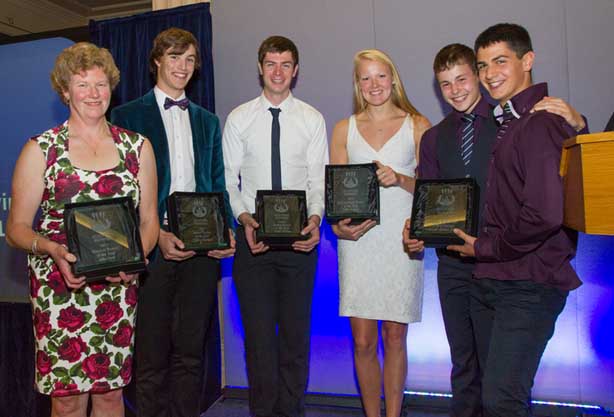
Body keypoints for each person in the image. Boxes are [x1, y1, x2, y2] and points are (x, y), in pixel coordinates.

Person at [405, 43, 586, 417]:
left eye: (462, 79)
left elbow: (567, 165)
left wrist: (579, 120)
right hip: (455, 264)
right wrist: (416, 228)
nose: (455, 90)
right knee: (464, 366)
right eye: (445, 84)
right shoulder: (435, 138)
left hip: (504, 264)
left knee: (500, 378)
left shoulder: (512, 121)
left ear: (479, 78)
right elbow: (430, 196)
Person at [5, 42, 159, 417]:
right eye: (83, 84)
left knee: (110, 394)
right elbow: (17, 228)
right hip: (59, 290)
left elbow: (150, 221)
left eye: (101, 84)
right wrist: (53, 251)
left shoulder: (138, 147)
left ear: (112, 88)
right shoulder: (41, 149)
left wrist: (133, 261)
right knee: (68, 400)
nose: (94, 94)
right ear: (64, 91)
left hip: (118, 289)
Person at [110, 28, 235, 417]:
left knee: (191, 351)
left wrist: (225, 229)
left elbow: (217, 185)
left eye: (190, 59)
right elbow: (121, 192)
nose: (182, 66)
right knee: (151, 354)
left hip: (202, 247)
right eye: (175, 57)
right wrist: (156, 236)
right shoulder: (126, 115)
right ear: (156, 62)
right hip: (152, 245)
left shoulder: (209, 121)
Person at [222, 35, 328, 417]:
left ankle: (292, 411)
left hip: (300, 244)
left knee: (296, 340)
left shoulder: (312, 119)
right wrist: (243, 218)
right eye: (271, 64)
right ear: (260, 68)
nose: (278, 71)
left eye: (285, 64)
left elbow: (318, 181)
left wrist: (315, 220)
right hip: (253, 243)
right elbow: (227, 181)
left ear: (295, 70)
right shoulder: (239, 119)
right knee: (260, 340)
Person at [329, 49, 429, 417]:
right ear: (357, 84)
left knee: (395, 336)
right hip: (359, 244)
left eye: (381, 76)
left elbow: (436, 192)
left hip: (401, 242)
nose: (374, 85)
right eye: (366, 78)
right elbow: (335, 192)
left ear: (394, 79)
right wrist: (338, 225)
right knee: (363, 340)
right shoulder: (344, 128)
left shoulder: (418, 124)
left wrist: (399, 178)